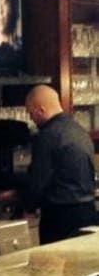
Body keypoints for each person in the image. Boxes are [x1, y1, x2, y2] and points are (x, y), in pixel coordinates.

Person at [11, 85, 97, 244]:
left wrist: (26, 206)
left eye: (31, 113)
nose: (31, 119)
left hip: (60, 218)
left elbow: (38, 181)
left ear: (41, 109)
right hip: (88, 211)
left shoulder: (47, 136)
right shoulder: (79, 130)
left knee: (54, 260)